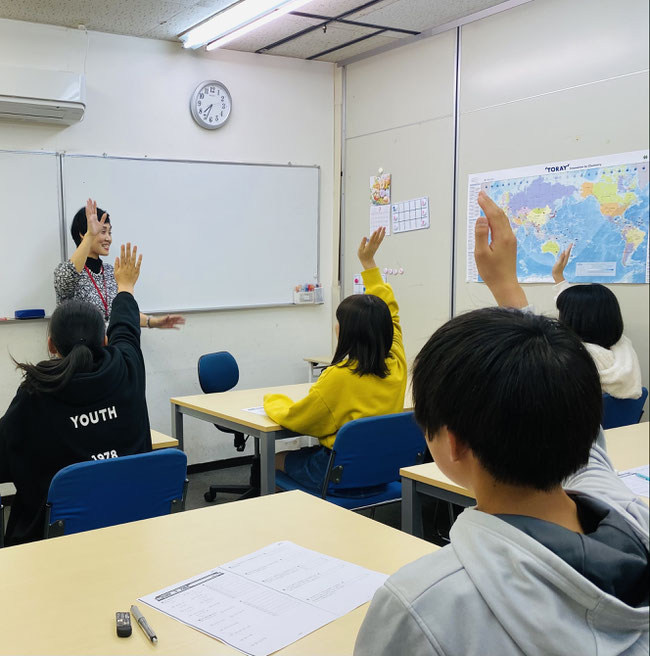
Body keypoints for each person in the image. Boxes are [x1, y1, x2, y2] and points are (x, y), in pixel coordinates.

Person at [354, 191, 649, 656]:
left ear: (453, 443)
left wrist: (507, 284)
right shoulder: (631, 516)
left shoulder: (421, 604)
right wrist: (508, 287)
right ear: (581, 413)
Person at [1, 243, 153, 546]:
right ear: (105, 339)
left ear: (51, 345)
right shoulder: (127, 368)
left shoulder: (35, 393)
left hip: (53, 548)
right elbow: (126, 327)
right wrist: (125, 286)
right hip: (130, 535)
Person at [263, 226, 407, 493]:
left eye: (338, 322)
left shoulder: (340, 376)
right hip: (382, 468)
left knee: (270, 461)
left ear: (348, 331)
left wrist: (272, 401)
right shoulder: (396, 361)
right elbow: (390, 311)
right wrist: (369, 263)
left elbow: (298, 419)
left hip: (337, 470)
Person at [54, 198, 185, 329]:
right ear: (83, 234)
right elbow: (68, 274)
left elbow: (122, 312)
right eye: (103, 231)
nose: (108, 238)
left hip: (112, 346)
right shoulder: (66, 273)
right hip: (82, 347)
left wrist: (153, 322)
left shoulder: (112, 271)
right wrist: (90, 235)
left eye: (109, 232)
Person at [552, 244, 642, 399]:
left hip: (586, 422)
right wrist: (558, 276)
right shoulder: (622, 347)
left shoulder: (579, 358)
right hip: (624, 423)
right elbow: (580, 306)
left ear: (576, 320)